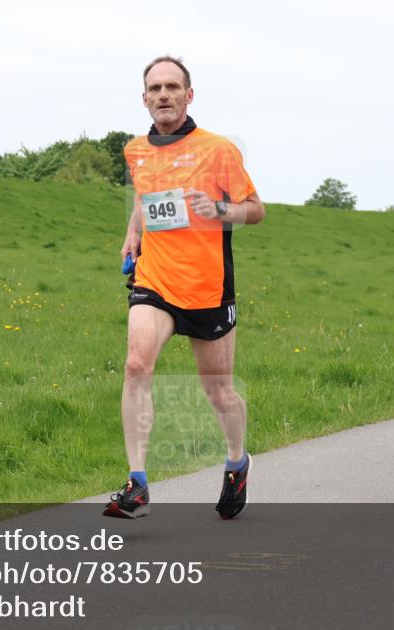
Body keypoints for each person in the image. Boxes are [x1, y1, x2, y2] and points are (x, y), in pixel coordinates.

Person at [104, 56, 265, 521]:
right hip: (154, 278)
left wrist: (220, 209)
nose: (164, 95)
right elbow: (145, 196)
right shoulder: (136, 150)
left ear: (188, 95)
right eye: (155, 88)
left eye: (172, 87)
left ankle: (237, 462)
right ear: (144, 99)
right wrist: (132, 233)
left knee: (219, 391)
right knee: (136, 365)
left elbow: (255, 209)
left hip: (207, 287)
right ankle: (136, 484)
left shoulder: (218, 150)